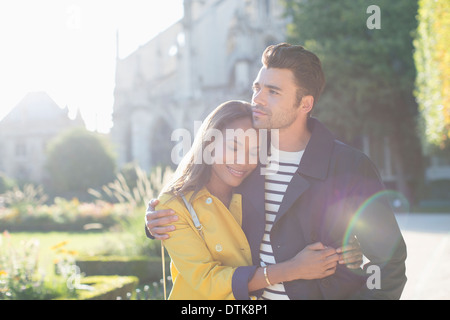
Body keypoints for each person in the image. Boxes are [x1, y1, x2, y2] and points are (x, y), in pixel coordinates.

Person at [147, 43, 407, 299]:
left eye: (273, 92)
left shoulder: (349, 165)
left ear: (305, 104)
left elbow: (388, 263)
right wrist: (155, 218)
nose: (257, 99)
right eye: (257, 88)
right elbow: (205, 198)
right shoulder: (248, 161)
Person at [151, 100, 362, 300]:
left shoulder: (257, 189)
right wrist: (293, 269)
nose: (243, 161)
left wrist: (343, 248)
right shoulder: (173, 207)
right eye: (234, 147)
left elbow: (299, 224)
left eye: (254, 151)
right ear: (209, 143)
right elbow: (208, 280)